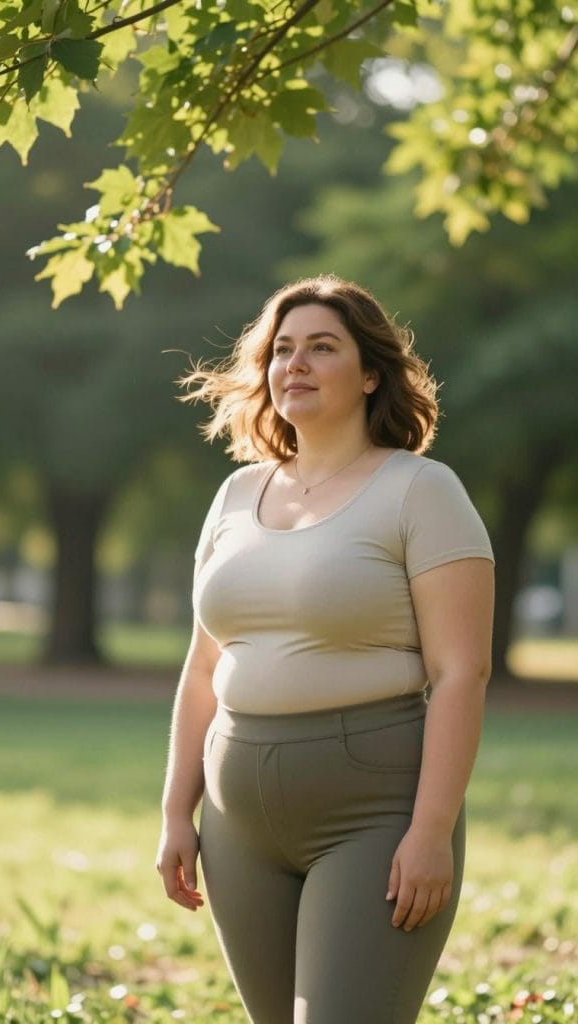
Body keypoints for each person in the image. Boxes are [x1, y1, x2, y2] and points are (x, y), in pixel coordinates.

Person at [156, 275, 495, 1024]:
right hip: (237, 818)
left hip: (371, 811)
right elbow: (204, 666)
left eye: (320, 347)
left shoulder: (420, 490)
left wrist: (430, 831)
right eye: (281, 350)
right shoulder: (235, 496)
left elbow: (459, 672)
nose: (294, 365)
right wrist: (177, 811)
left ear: (369, 372)